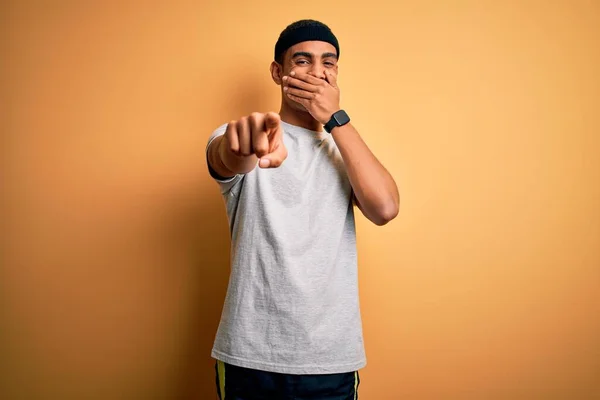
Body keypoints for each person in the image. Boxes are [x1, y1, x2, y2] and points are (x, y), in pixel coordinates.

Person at [205, 19, 399, 400]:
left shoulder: (346, 151)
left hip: (330, 360)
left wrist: (335, 119)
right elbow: (228, 155)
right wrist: (246, 144)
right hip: (249, 355)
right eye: (303, 60)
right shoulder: (244, 133)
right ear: (279, 72)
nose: (317, 72)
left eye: (328, 63)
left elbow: (385, 207)